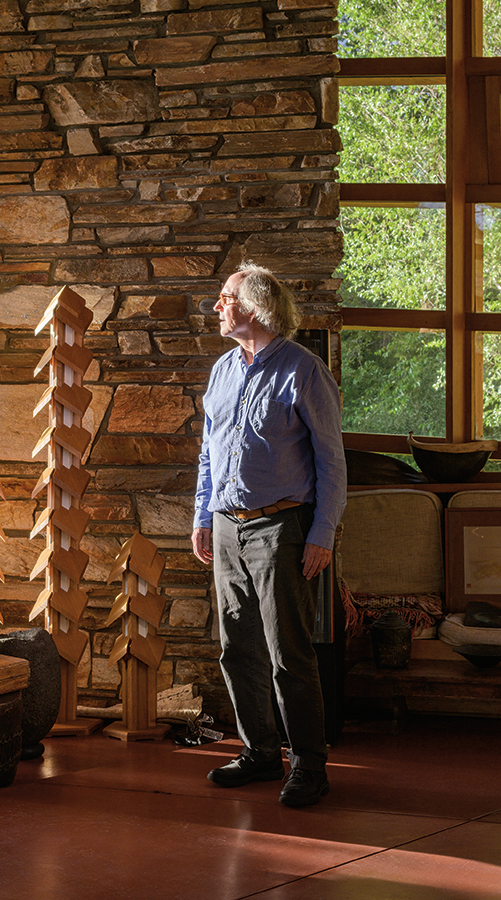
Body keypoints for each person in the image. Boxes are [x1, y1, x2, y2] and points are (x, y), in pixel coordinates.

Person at [192, 263, 346, 808]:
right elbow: (210, 451)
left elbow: (331, 458)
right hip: (228, 529)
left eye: (225, 298)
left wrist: (322, 532)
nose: (216, 306)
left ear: (255, 307)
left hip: (283, 528)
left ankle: (308, 765)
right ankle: (259, 753)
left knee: (289, 654)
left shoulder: (304, 371)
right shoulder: (222, 371)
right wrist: (203, 515)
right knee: (238, 650)